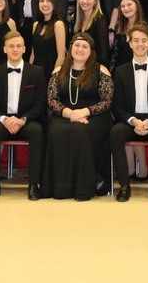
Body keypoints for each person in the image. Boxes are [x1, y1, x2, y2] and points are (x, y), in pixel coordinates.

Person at [42, 32, 113, 201]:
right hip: (64, 114)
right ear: (71, 48)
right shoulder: (59, 71)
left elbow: (107, 101)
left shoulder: (101, 70)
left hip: (94, 115)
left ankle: (85, 186)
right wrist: (69, 113)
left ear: (91, 51)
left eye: (85, 47)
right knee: (56, 131)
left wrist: (84, 111)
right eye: (77, 45)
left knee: (80, 131)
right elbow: (52, 100)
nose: (80, 49)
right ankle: (61, 187)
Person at [110, 24, 148, 202]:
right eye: (136, 40)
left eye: (144, 41)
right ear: (130, 43)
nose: (140, 44)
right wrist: (133, 121)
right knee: (115, 133)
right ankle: (124, 185)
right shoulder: (120, 72)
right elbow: (117, 106)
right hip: (129, 120)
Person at [0, 31, 47, 201]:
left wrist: (22, 120)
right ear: (4, 49)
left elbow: (41, 103)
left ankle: (34, 184)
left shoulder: (36, 72)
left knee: (37, 131)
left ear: (24, 49)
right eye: (11, 46)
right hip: (2, 119)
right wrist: (4, 119)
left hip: (27, 119)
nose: (15, 49)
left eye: (18, 46)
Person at [29, 0, 67, 81]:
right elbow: (33, 54)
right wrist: (29, 73)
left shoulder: (58, 24)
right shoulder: (35, 25)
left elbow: (61, 56)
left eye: (49, 0)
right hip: (36, 74)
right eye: (42, 1)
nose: (45, 4)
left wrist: (53, 78)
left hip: (51, 73)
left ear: (54, 3)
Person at [74, 0, 111, 67]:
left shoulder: (100, 21)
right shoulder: (78, 22)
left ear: (95, 1)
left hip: (95, 67)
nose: (84, 1)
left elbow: (103, 54)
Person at [111, 0, 147, 69]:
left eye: (129, 4)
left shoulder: (145, 28)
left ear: (137, 5)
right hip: (120, 72)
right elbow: (115, 56)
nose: (126, 8)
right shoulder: (119, 28)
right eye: (123, 6)